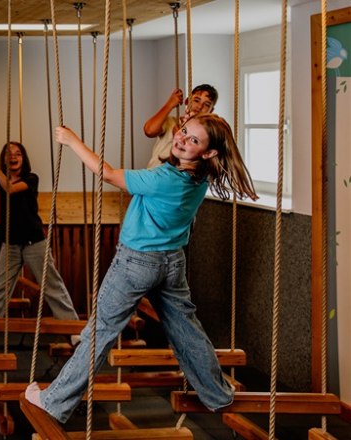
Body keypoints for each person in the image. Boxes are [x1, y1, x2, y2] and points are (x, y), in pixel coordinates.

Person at [25, 114, 258, 423]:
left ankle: (54, 401)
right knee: (187, 329)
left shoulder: (164, 179)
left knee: (99, 332)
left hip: (137, 262)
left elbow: (106, 173)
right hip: (172, 262)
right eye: (184, 132)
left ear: (209, 153)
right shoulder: (201, 178)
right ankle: (217, 393)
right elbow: (182, 149)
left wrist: (72, 141)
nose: (182, 139)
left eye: (194, 141)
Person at [0, 140, 80, 342]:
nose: (13, 157)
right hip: (10, 243)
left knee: (51, 284)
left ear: (23, 158)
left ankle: (73, 330)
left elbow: (10, 188)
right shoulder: (0, 180)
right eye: (9, 154)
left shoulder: (30, 179)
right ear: (5, 159)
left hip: (34, 243)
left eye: (18, 153)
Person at [145, 84, 218, 169]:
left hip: (180, 179)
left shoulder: (206, 136)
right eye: (196, 100)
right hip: (154, 175)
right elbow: (149, 131)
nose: (199, 106)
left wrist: (180, 136)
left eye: (206, 105)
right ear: (187, 101)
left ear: (211, 111)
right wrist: (170, 104)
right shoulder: (171, 122)